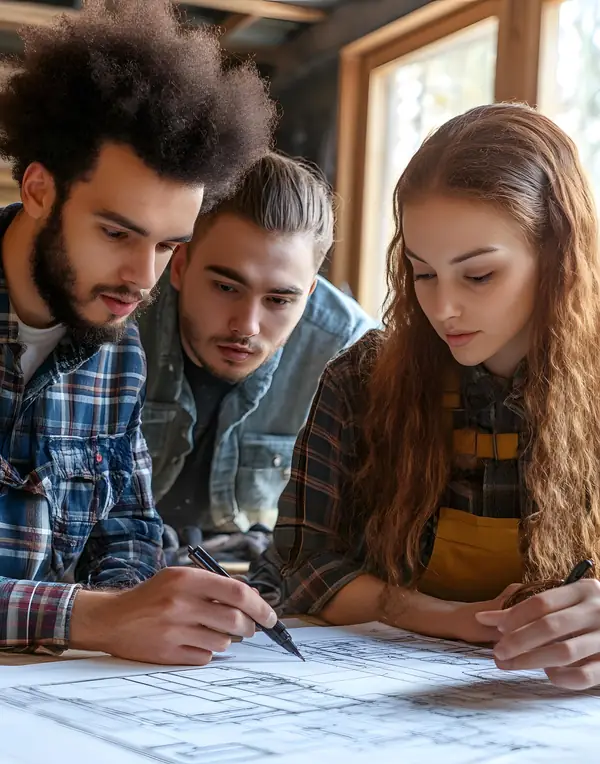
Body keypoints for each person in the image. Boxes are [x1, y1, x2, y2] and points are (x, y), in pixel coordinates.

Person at [251, 103, 600, 690]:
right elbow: (300, 564)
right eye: (423, 272)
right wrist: (456, 622)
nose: (443, 309)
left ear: (559, 259)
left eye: (479, 275)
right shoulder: (361, 380)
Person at [0, 0, 278, 664]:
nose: (140, 279)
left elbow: (126, 525)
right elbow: (96, 614)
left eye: (166, 247)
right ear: (38, 188)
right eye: (118, 233)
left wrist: (152, 599)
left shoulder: (114, 345)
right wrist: (93, 617)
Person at [139, 151, 377, 563]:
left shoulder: (350, 353)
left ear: (309, 296)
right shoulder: (117, 323)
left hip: (268, 588)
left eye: (279, 299)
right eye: (226, 288)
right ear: (179, 265)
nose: (247, 325)